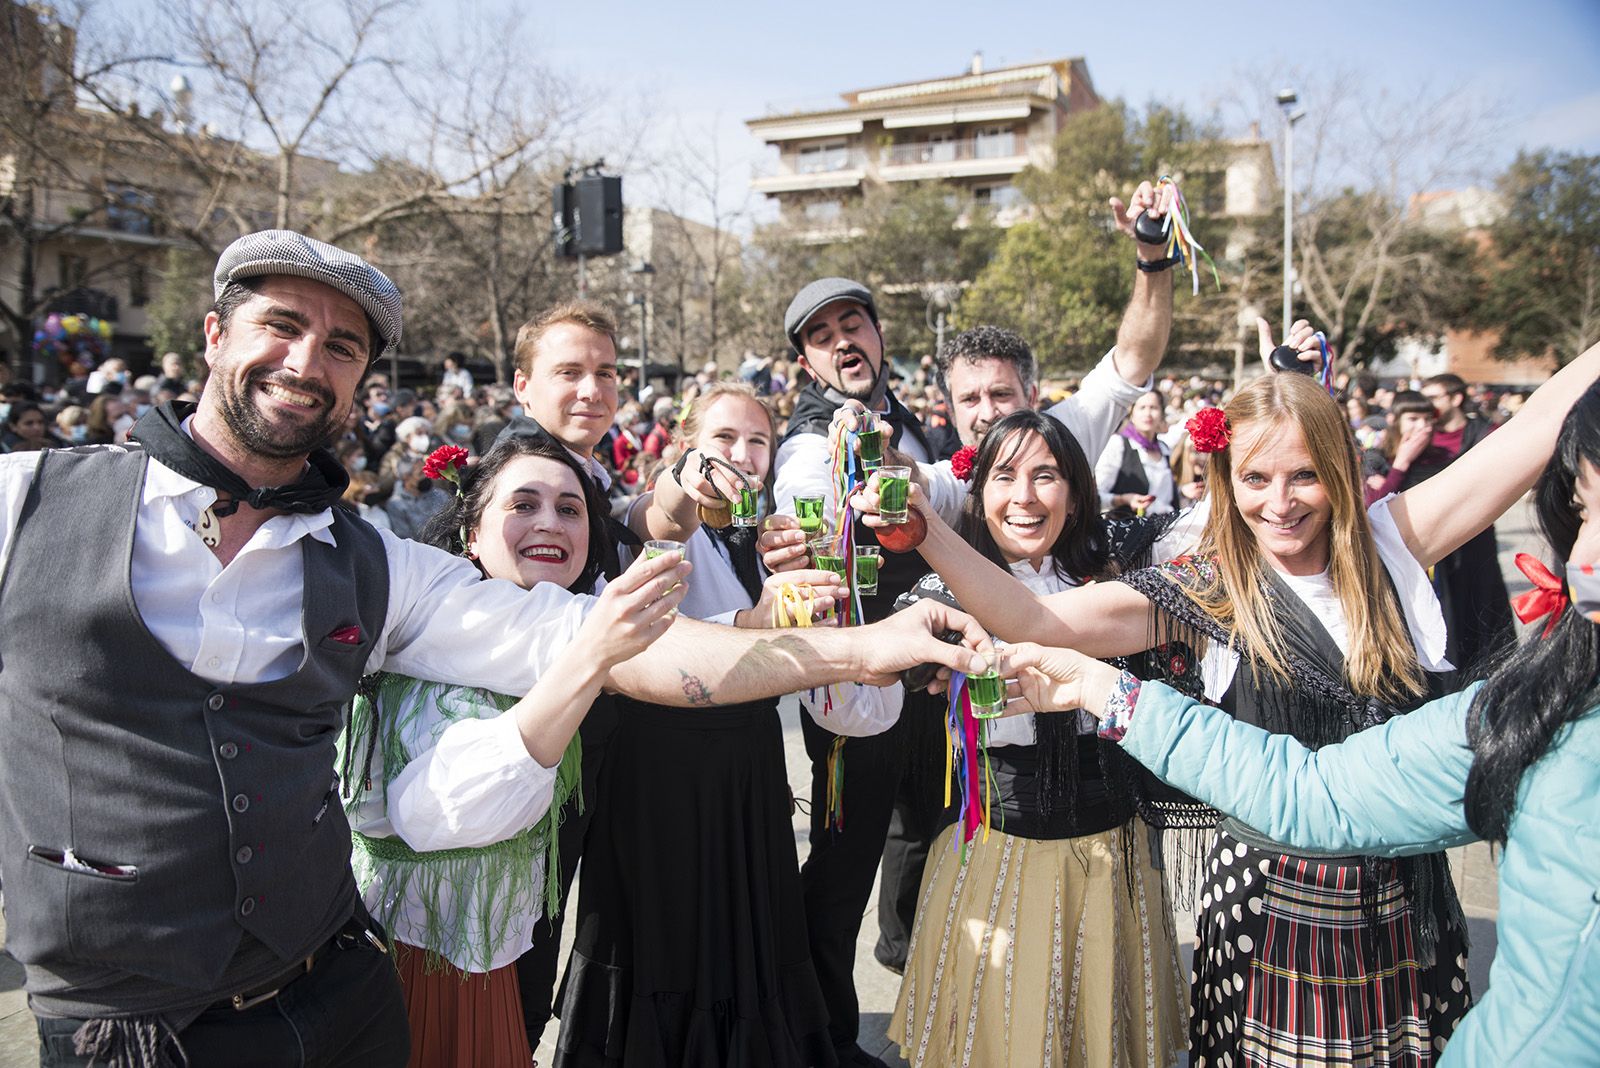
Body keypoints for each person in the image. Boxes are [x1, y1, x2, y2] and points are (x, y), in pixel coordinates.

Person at [0, 229, 997, 1068]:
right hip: (121, 1028)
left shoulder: (372, 565)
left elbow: (632, 651)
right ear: (213, 336)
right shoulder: (31, 504)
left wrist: (861, 646)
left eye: (342, 346)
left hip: (335, 996)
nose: (308, 362)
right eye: (280, 326)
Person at [859, 322, 1600, 1067]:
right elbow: (1035, 618)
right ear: (1224, 480)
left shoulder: (1392, 543)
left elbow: (1536, 427)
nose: (1280, 503)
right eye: (1254, 479)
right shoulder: (1207, 588)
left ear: (1341, 472)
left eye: (1304, 474)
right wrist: (925, 530)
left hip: (1401, 901)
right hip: (1267, 901)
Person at [556, 381, 868, 1066]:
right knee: (672, 941)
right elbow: (662, 556)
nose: (743, 454)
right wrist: (755, 619)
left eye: (758, 441)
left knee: (749, 930)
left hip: (746, 765)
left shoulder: (758, 534)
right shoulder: (650, 521)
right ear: (687, 445)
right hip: (666, 774)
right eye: (725, 438)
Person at [345, 434, 674, 1068]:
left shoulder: (558, 626)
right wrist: (591, 659)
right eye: (524, 504)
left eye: (570, 509)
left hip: (492, 960)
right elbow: (433, 815)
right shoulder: (435, 643)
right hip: (410, 966)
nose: (550, 522)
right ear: (471, 535)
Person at [883, 409, 1189, 1067]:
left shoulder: (1121, 570)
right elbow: (887, 671)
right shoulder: (940, 593)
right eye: (1005, 476)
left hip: (1112, 852)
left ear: (1075, 492)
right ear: (978, 493)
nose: (1024, 497)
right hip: (998, 850)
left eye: (1045, 475)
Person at [1409, 373, 1516, 676]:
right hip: (1431, 544)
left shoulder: (1484, 433)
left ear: (1455, 399)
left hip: (1475, 540)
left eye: (1433, 397)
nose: (1425, 405)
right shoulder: (1420, 436)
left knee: (1482, 605)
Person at [1095, 388, 1179, 516]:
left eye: (1154, 407)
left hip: (1165, 528)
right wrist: (1123, 499)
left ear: (1161, 413)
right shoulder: (1118, 444)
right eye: (1142, 407)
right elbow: (1096, 497)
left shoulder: (1163, 449)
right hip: (1128, 530)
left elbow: (1163, 497)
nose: (1148, 413)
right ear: (1132, 413)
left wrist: (1182, 492)